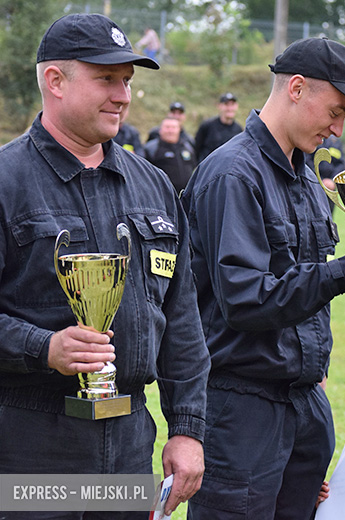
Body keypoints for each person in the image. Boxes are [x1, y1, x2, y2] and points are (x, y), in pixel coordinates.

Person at [181, 37, 345, 520]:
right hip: (242, 408)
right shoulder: (232, 175)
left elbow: (303, 297)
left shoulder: (306, 179)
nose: (339, 129)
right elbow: (244, 300)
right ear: (296, 88)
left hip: (304, 402)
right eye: (336, 111)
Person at [0, 13, 210, 519]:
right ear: (55, 80)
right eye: (106, 79)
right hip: (32, 445)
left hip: (129, 441)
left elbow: (181, 319)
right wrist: (43, 346)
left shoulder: (154, 186)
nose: (123, 95)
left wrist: (186, 428)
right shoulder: (7, 182)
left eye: (127, 81)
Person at [144, 116, 197, 193]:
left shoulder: (187, 147)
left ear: (179, 130)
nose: (170, 131)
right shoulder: (151, 148)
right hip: (161, 195)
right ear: (160, 130)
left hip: (185, 196)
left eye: (174, 127)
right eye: (167, 127)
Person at [193, 92, 242, 163]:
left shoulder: (238, 130)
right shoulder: (207, 126)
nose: (230, 108)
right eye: (226, 105)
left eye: (232, 105)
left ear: (237, 106)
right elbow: (196, 149)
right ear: (219, 106)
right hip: (208, 169)